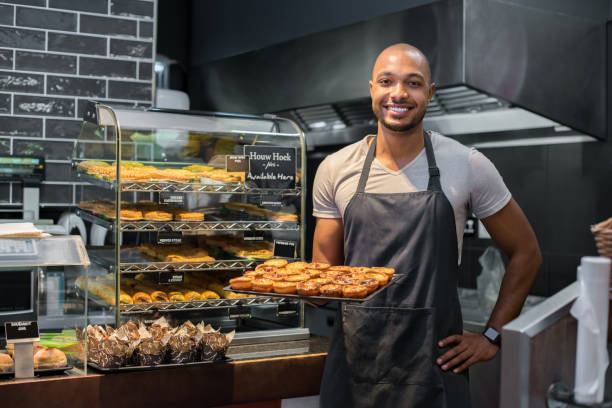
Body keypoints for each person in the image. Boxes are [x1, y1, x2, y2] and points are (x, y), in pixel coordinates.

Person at [313, 43, 542, 407]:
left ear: (430, 93)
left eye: (414, 83)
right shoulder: (335, 169)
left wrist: (492, 336)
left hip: (433, 371)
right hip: (353, 369)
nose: (399, 94)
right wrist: (295, 290)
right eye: (387, 81)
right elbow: (323, 271)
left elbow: (527, 252)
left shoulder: (468, 165)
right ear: (372, 89)